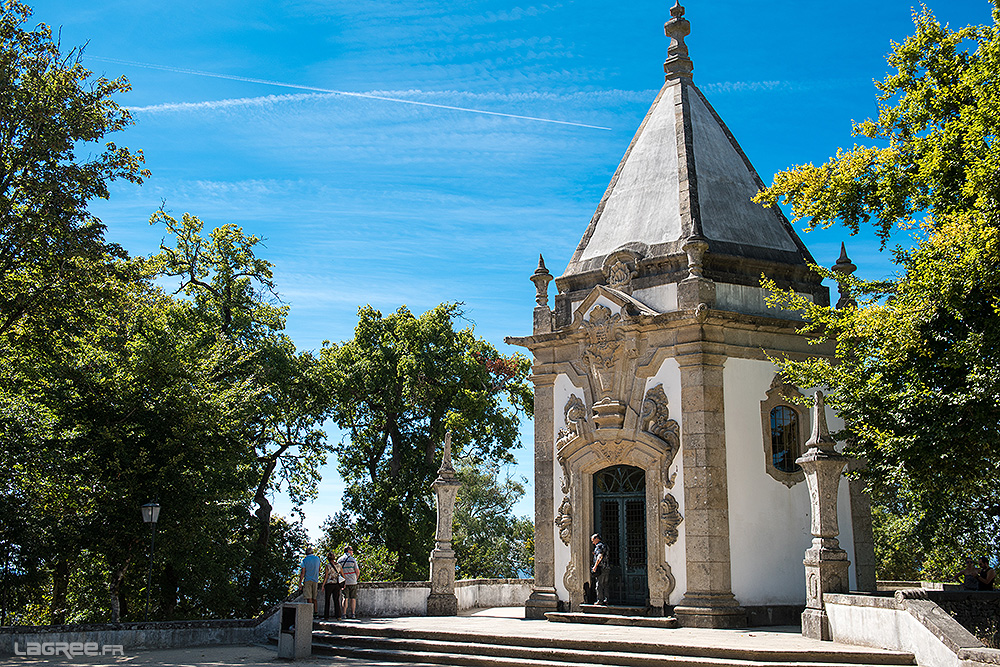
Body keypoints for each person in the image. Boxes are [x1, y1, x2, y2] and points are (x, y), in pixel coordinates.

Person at [337, 546, 361, 619]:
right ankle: (353, 614)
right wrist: (355, 578)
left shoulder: (340, 560)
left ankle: (344, 614)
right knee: (353, 598)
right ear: (349, 551)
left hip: (344, 582)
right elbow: (357, 571)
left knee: (345, 598)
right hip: (353, 581)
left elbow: (338, 571)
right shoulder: (353, 560)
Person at [298, 546, 322, 615]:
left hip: (307, 580)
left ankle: (310, 612)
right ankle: (316, 612)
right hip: (315, 580)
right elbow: (319, 569)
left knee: (309, 597)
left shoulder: (304, 560)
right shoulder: (317, 559)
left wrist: (300, 583)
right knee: (315, 597)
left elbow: (303, 572)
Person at [322, 552, 343, 620]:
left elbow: (326, 576)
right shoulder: (339, 565)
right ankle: (338, 616)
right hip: (337, 584)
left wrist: (323, 585)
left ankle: (326, 616)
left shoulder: (328, 566)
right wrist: (343, 584)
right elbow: (343, 575)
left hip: (329, 584)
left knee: (327, 600)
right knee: (336, 600)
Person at [591, 533, 609, 605]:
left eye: (593, 541)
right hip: (607, 567)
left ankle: (600, 600)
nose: (593, 543)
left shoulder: (599, 546)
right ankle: (606, 599)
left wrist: (595, 566)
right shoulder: (605, 546)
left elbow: (600, 556)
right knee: (605, 584)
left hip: (601, 568)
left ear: (597, 539)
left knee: (599, 584)